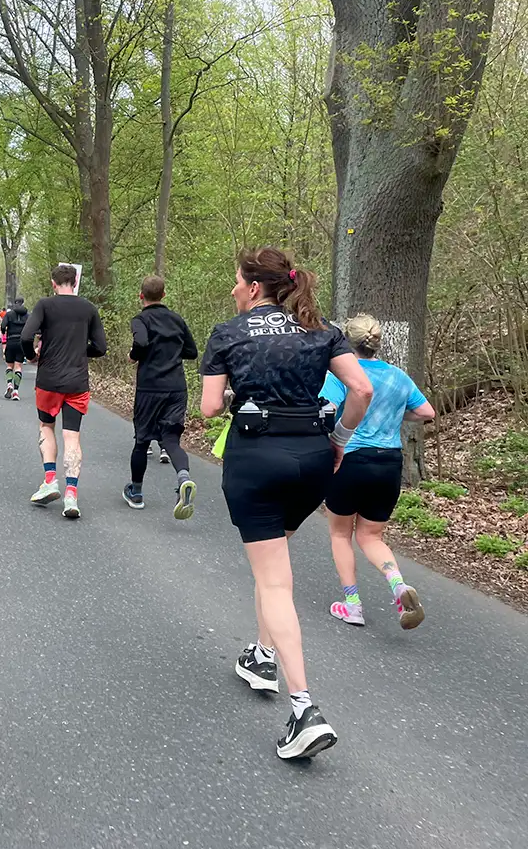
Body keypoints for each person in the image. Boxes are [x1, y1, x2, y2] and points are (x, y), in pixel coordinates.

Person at [199, 247, 373, 761]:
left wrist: (243, 396)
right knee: (273, 559)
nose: (233, 290)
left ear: (254, 288)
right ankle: (260, 655)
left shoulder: (229, 334)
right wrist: (340, 438)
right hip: (314, 461)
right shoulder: (322, 329)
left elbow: (210, 409)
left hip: (257, 458)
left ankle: (304, 710)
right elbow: (360, 388)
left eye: (236, 282)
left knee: (275, 579)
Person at [320, 314, 435, 629]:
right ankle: (398, 585)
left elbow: (325, 409)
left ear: (348, 341)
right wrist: (396, 415)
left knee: (340, 534)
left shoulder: (343, 373)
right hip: (388, 463)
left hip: (350, 460)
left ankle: (352, 605)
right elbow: (427, 412)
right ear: (376, 343)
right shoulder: (398, 376)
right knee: (371, 536)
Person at [21, 264, 108, 519]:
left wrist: (33, 357)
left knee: (46, 427)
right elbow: (101, 347)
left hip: (48, 380)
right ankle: (71, 495)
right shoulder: (89, 309)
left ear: (53, 283)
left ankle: (50, 481)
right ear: (76, 280)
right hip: (77, 382)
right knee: (73, 437)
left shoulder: (45, 306)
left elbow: (26, 337)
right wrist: (82, 352)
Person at [123, 275, 199, 519]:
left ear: (140, 295)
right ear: (164, 295)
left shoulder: (140, 319)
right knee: (171, 440)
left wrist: (134, 355)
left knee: (142, 440)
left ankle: (136, 493)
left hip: (150, 388)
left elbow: (142, 342)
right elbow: (192, 351)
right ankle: (184, 479)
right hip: (177, 388)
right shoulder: (177, 319)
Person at [1, 298, 29, 400]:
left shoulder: (9, 315)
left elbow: (3, 326)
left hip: (11, 341)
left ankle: (9, 384)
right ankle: (16, 391)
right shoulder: (27, 315)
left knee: (9, 366)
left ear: (15, 303)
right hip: (21, 342)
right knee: (18, 367)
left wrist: (4, 332)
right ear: (23, 303)